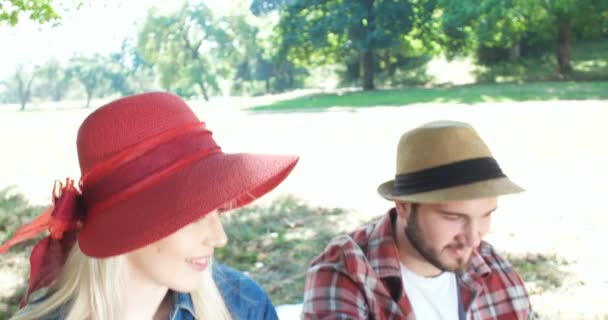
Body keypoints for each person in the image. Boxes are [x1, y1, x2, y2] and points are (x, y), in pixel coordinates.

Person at [0, 92, 299, 320]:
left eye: (217, 209)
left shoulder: (243, 304)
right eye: (193, 214)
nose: (220, 238)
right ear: (128, 225)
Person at [302, 120, 534, 320]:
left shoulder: (492, 268)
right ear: (403, 206)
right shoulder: (348, 271)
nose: (473, 240)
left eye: (486, 215)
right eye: (452, 217)